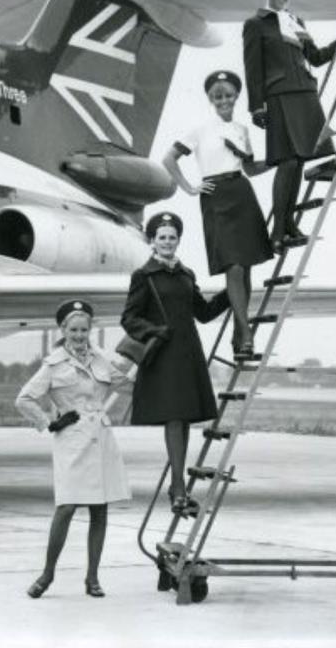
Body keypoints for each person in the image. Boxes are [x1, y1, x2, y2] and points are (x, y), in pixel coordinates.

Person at [15, 299, 132, 599]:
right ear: (63, 329)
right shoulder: (53, 364)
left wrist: (145, 356)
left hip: (101, 439)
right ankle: (47, 574)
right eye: (74, 329)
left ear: (90, 329)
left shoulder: (101, 360)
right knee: (65, 507)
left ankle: (92, 578)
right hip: (71, 440)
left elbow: (126, 385)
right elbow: (24, 399)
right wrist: (48, 422)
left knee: (100, 509)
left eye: (84, 329)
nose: (79, 335)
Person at [243, 0, 336, 253]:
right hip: (279, 95)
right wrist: (257, 106)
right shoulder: (256, 24)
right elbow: (253, 68)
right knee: (287, 161)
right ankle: (278, 231)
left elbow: (316, 57)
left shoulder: (296, 22)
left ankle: (290, 225)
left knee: (300, 161)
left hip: (305, 94)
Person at [120, 213, 228, 516]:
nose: (167, 242)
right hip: (164, 355)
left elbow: (203, 313)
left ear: (177, 240)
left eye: (172, 237)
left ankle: (177, 485)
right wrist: (153, 330)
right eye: (162, 237)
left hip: (188, 353)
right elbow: (128, 319)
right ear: (152, 241)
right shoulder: (143, 275)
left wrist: (230, 293)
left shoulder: (186, 274)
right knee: (174, 418)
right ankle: (178, 486)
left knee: (182, 419)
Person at [161, 70, 273, 357]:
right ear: (211, 99)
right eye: (217, 96)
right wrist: (188, 187)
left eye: (227, 95)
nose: (223, 100)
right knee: (233, 266)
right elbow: (168, 158)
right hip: (216, 197)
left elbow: (249, 168)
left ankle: (239, 337)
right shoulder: (200, 129)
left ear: (236, 96)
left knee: (245, 267)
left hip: (241, 193)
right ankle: (246, 332)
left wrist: (277, 161)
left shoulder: (242, 130)